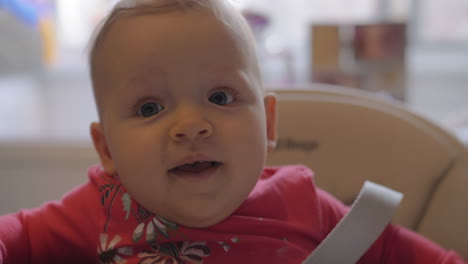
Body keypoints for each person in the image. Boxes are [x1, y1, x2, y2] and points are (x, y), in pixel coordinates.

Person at [0, 0, 466, 263]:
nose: (190, 126)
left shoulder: (301, 202)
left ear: (269, 124)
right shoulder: (101, 207)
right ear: (106, 149)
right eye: (149, 107)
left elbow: (402, 253)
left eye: (220, 98)